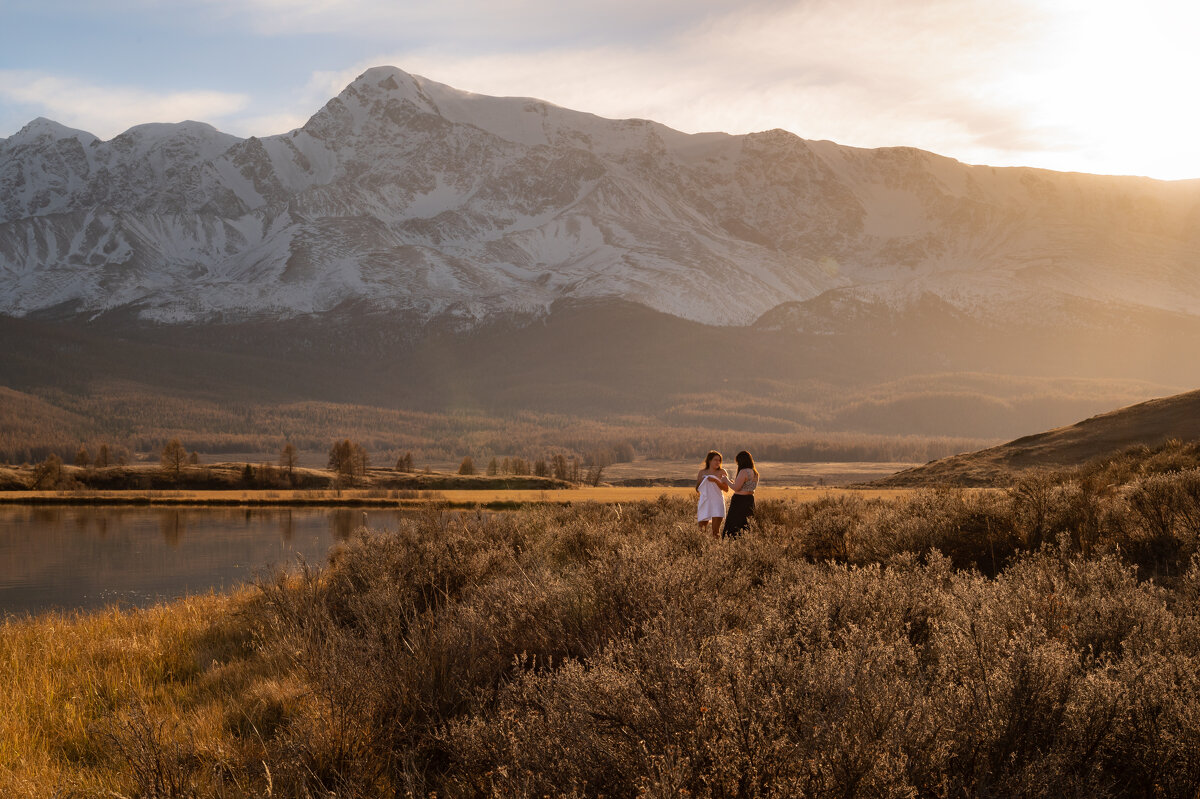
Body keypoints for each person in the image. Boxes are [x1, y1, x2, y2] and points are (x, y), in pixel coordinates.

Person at [722, 450, 759, 537]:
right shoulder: (755, 473)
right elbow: (746, 486)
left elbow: (736, 488)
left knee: (734, 524)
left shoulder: (744, 471)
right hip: (750, 500)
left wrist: (726, 480)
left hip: (739, 501)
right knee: (746, 524)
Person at [695, 450, 730, 538]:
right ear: (709, 460)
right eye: (715, 460)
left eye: (719, 460)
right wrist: (704, 481)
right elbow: (697, 489)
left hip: (717, 502)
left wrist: (715, 481)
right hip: (705, 502)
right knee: (701, 530)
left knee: (715, 532)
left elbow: (726, 489)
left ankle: (716, 550)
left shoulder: (722, 472)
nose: (718, 462)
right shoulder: (702, 473)